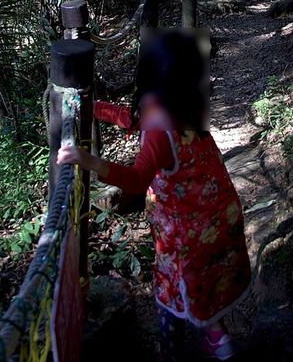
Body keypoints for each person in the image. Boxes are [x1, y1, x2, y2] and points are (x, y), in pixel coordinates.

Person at [57, 30, 251, 361]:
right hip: (220, 217)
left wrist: (88, 161)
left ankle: (171, 353)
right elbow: (134, 119)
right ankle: (220, 340)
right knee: (205, 287)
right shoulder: (187, 102)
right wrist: (91, 107)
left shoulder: (161, 128)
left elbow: (136, 180)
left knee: (170, 292)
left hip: (188, 234)